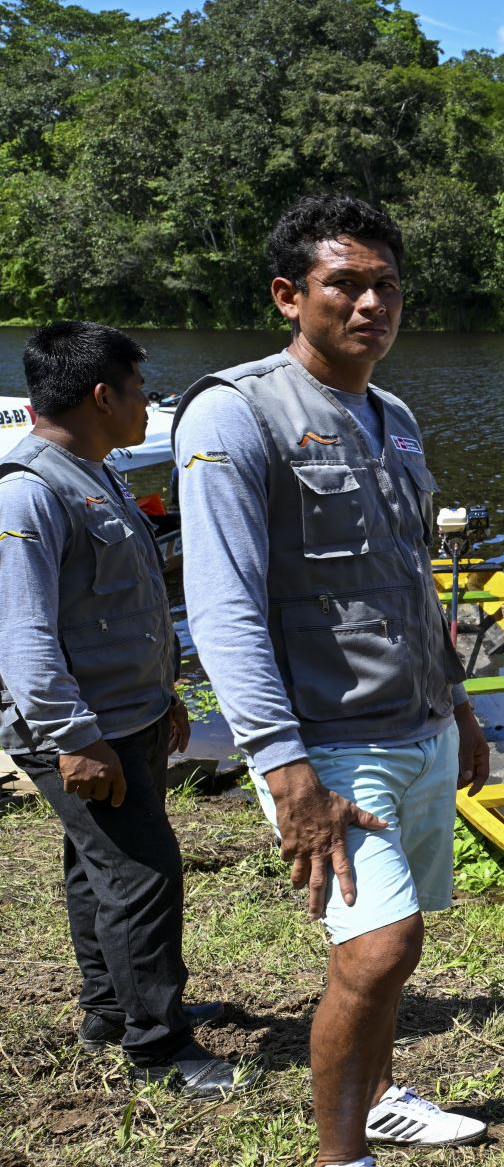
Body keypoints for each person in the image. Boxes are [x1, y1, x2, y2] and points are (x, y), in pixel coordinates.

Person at [172, 196, 489, 1167]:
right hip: (329, 744)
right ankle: (338, 1158)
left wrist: (461, 703)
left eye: (385, 285)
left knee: (398, 947)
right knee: (375, 948)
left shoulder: (393, 416)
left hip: (417, 722)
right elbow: (222, 606)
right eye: (343, 283)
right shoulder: (237, 412)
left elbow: (410, 575)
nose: (369, 304)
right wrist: (282, 768)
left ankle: (382, 1094)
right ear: (288, 294)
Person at [0, 322, 253, 1096]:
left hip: (128, 716)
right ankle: (159, 1046)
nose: (149, 404)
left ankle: (111, 1008)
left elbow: (121, 605)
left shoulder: (95, 470)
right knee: (144, 873)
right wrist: (74, 739)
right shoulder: (28, 492)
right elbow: (23, 637)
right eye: (141, 389)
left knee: (97, 866)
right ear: (102, 396)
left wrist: (166, 695)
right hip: (83, 730)